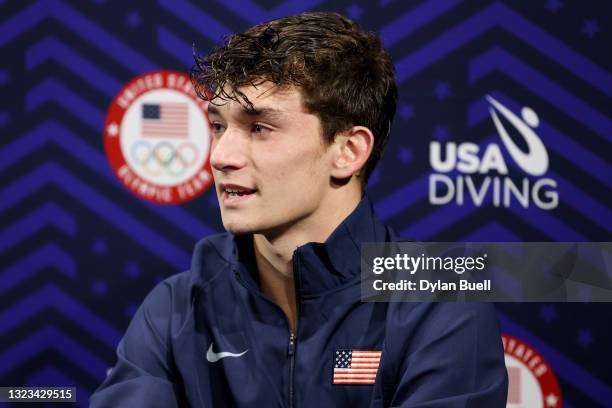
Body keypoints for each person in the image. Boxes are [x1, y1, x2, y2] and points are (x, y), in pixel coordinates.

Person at [91, 11, 508, 407]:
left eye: (260, 128)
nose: (220, 156)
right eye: (219, 125)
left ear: (348, 150)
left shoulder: (442, 300)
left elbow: (569, 276)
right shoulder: (176, 309)